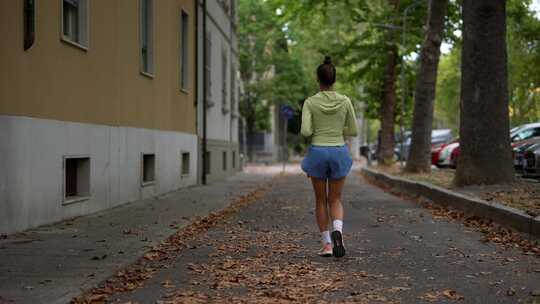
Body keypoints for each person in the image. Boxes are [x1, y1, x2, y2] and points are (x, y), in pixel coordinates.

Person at [300, 56, 358, 258]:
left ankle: (326, 244)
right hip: (338, 151)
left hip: (317, 151)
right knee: (335, 199)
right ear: (334, 79)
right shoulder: (345, 101)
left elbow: (306, 131)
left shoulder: (310, 102)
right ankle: (338, 232)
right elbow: (353, 130)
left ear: (318, 79)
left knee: (320, 200)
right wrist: (336, 128)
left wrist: (319, 128)